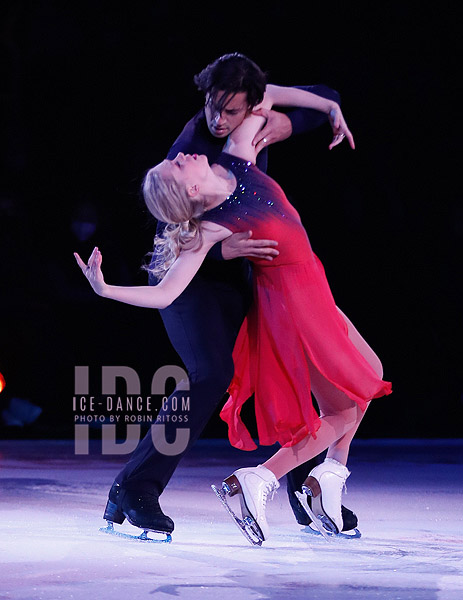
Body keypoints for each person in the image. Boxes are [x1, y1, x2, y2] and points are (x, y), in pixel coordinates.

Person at [75, 81, 391, 543]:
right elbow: (167, 288)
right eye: (175, 164)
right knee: (229, 377)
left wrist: (328, 105)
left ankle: (321, 483)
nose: (179, 154)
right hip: (261, 292)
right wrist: (106, 289)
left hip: (300, 283)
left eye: (235, 111)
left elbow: (270, 101)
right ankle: (249, 479)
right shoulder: (199, 185)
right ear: (191, 188)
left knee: (363, 377)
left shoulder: (235, 155)